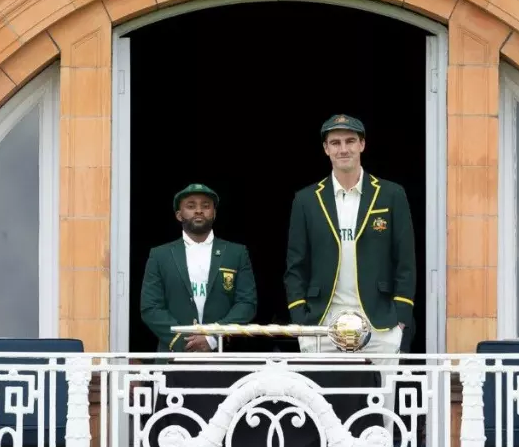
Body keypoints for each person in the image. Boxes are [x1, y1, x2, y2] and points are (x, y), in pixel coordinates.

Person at [283, 114, 417, 361]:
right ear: (326, 148)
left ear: (362, 145)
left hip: (380, 321)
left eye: (350, 141)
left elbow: (405, 262)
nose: (343, 149)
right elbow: (296, 265)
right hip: (322, 320)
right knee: (321, 400)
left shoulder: (391, 194)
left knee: (382, 399)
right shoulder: (306, 199)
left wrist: (400, 318)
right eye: (335, 143)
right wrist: (300, 319)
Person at [139, 183, 257, 352]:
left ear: (214, 213)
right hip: (174, 357)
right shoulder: (160, 255)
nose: (199, 210)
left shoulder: (236, 253)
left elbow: (246, 304)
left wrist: (213, 338)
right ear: (179, 215)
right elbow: (150, 307)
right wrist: (183, 341)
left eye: (206, 206)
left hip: (223, 356)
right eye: (191, 206)